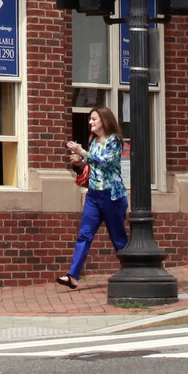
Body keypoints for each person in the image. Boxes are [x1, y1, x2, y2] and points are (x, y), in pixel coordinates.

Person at [57, 107, 128, 290]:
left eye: (94, 119)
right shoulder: (93, 140)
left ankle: (130, 270)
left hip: (112, 197)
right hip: (94, 196)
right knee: (84, 235)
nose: (90, 122)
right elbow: (93, 163)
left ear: (104, 120)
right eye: (90, 119)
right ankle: (72, 275)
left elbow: (105, 161)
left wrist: (83, 153)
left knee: (118, 238)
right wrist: (80, 161)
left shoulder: (115, 141)